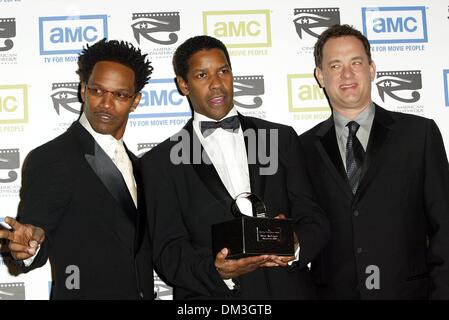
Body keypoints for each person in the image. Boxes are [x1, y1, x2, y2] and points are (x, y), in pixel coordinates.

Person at [141, 35, 329, 299]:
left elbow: (314, 219)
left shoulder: (281, 139)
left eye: (223, 71)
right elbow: (168, 252)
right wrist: (217, 271)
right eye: (202, 75)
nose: (216, 84)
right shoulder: (161, 163)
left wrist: (295, 242)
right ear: (183, 84)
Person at [298, 24, 449, 299]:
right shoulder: (301, 148)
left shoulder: (419, 134)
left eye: (356, 62)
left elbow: (445, 227)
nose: (347, 73)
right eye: (335, 65)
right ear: (320, 76)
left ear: (372, 68)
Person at [0, 39, 154, 299]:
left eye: (120, 94)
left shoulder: (140, 166)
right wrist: (28, 249)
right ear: (83, 90)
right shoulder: (52, 158)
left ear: (135, 100)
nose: (106, 103)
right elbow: (34, 235)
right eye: (97, 91)